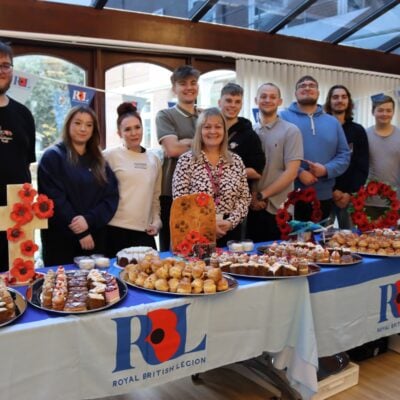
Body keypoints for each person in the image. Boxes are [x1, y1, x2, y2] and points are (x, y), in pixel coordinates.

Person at [38, 106, 119, 266]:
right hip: (62, 241)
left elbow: (111, 197)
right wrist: (81, 230)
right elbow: (55, 200)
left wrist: (89, 220)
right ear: (68, 125)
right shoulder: (53, 157)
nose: (83, 129)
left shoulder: (99, 160)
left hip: (96, 241)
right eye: (78, 123)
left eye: (89, 125)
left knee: (97, 287)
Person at [172, 107, 250, 247]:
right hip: (195, 233)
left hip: (229, 233)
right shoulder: (186, 160)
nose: (213, 131)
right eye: (207, 127)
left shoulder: (236, 161)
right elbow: (180, 201)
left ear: (224, 131)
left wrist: (230, 222)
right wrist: (207, 224)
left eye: (218, 127)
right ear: (199, 131)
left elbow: (244, 198)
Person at [280, 75, 350, 221]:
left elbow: (344, 154)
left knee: (319, 241)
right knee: (290, 242)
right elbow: (276, 152)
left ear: (318, 93)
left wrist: (326, 170)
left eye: (312, 85)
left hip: (324, 195)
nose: (307, 88)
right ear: (295, 93)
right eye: (302, 85)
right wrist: (298, 172)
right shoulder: (282, 117)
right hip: (289, 194)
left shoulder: (332, 122)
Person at [247, 83, 303, 242]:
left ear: (280, 101)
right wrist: (252, 198)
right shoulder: (251, 131)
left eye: (272, 97)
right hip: (253, 206)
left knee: (279, 261)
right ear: (256, 100)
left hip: (279, 208)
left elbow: (291, 172)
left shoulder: (291, 131)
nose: (267, 100)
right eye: (263, 96)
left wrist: (262, 195)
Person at [103, 103, 162, 255]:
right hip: (114, 231)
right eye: (127, 129)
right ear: (119, 133)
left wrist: (156, 221)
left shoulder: (154, 159)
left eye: (137, 127)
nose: (134, 133)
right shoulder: (109, 156)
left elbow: (155, 197)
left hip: (144, 233)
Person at [0, 41, 36, 272]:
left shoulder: (24, 115)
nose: (1, 70)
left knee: (17, 282)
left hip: (17, 218)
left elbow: (26, 166)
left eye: (6, 65)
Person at [156, 65, 200, 251]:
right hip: (172, 193)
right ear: (174, 88)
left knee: (200, 248)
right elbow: (173, 149)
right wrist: (199, 142)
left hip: (201, 192)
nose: (189, 87)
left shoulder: (205, 115)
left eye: (193, 83)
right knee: (173, 250)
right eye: (183, 84)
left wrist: (186, 142)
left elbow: (216, 148)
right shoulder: (165, 115)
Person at [324, 85, 369, 228]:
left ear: (349, 101)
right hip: (324, 192)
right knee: (320, 237)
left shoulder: (358, 130)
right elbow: (317, 160)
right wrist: (332, 190)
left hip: (349, 196)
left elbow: (362, 165)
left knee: (350, 239)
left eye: (344, 97)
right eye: (335, 97)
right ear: (329, 101)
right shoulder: (321, 128)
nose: (340, 100)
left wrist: (348, 193)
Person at [218, 83, 265, 181]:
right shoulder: (210, 130)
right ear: (219, 103)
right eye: (228, 101)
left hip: (237, 193)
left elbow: (257, 172)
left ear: (241, 105)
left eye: (237, 102)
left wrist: (222, 172)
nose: (233, 105)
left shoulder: (250, 136)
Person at [365, 95, 400, 219]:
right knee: (367, 238)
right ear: (373, 112)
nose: (384, 114)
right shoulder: (364, 135)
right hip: (367, 201)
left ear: (393, 112)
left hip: (395, 202)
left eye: (388, 110)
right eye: (380, 110)